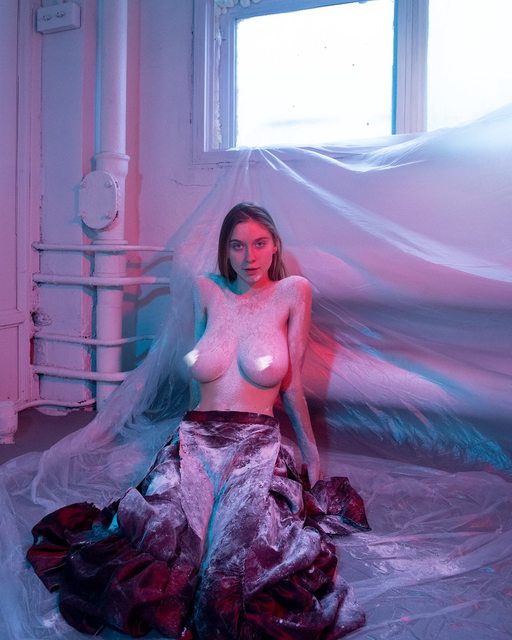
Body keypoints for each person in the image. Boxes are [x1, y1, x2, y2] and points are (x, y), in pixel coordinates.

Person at [26, 203, 370, 640]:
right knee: (168, 533)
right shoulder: (206, 289)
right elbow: (196, 377)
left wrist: (311, 453)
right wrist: (177, 446)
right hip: (196, 433)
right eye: (237, 246)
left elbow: (292, 387)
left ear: (275, 246)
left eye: (259, 244)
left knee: (237, 551)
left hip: (255, 440)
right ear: (226, 250)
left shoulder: (293, 292)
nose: (249, 256)